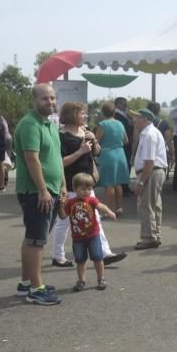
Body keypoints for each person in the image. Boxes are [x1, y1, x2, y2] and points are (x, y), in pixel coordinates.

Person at [51, 102, 125, 268]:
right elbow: (60, 162)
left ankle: (105, 253)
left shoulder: (84, 132)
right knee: (64, 222)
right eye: (82, 113)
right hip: (69, 185)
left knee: (95, 217)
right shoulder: (61, 136)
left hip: (86, 185)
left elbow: (96, 152)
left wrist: (94, 143)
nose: (85, 116)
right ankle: (58, 255)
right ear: (72, 115)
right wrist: (80, 151)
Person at [13, 84, 64, 305]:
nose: (50, 102)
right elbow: (31, 159)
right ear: (34, 100)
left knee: (33, 238)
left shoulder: (50, 124)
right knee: (36, 241)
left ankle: (26, 283)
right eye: (45, 99)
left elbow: (57, 157)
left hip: (50, 190)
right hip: (36, 192)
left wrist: (61, 185)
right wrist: (43, 190)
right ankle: (36, 289)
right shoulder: (29, 125)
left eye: (52, 98)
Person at [61, 172, 116, 292]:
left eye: (89, 188)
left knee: (97, 258)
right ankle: (81, 280)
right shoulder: (70, 202)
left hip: (93, 236)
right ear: (75, 189)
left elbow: (101, 206)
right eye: (83, 189)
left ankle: (101, 278)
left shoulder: (91, 200)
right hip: (78, 238)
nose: (87, 191)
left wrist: (109, 212)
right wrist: (61, 204)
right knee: (80, 260)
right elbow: (63, 215)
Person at [132, 108, 168, 250]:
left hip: (151, 172)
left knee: (146, 206)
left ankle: (149, 237)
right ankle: (155, 235)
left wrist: (141, 182)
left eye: (137, 117)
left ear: (145, 119)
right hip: (155, 171)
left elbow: (149, 162)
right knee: (154, 205)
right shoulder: (152, 132)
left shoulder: (148, 134)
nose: (134, 120)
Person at [95, 102, 130, 215]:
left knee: (109, 183)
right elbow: (126, 140)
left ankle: (107, 210)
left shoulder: (103, 124)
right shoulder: (120, 123)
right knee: (118, 183)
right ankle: (119, 207)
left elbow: (96, 141)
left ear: (102, 112)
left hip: (107, 154)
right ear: (114, 112)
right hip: (120, 154)